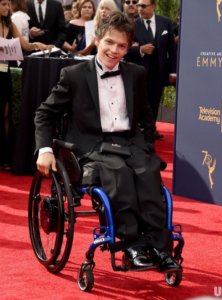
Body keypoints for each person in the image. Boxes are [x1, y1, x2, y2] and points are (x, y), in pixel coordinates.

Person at [35, 11, 181, 273]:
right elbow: (45, 113)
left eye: (122, 45)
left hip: (128, 142)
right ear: (98, 38)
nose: (115, 50)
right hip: (92, 145)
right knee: (118, 172)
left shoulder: (136, 74)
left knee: (148, 173)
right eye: (110, 42)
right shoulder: (74, 75)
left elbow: (147, 116)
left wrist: (146, 145)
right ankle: (131, 244)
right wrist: (45, 150)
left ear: (129, 47)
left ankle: (159, 247)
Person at [0, 0, 52, 171]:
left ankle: (4, 157)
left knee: (6, 115)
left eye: (8, 5)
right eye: (3, 4)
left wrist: (40, 46)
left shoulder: (11, 24)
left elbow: (24, 46)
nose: (7, 8)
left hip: (6, 73)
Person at [125, 0, 176, 139]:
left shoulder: (165, 22)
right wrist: (140, 49)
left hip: (159, 71)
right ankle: (137, 131)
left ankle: (151, 129)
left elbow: (172, 49)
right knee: (139, 101)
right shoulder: (133, 24)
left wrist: (173, 71)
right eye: (139, 5)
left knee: (154, 101)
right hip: (139, 71)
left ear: (153, 6)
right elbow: (124, 48)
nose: (139, 8)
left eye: (143, 6)